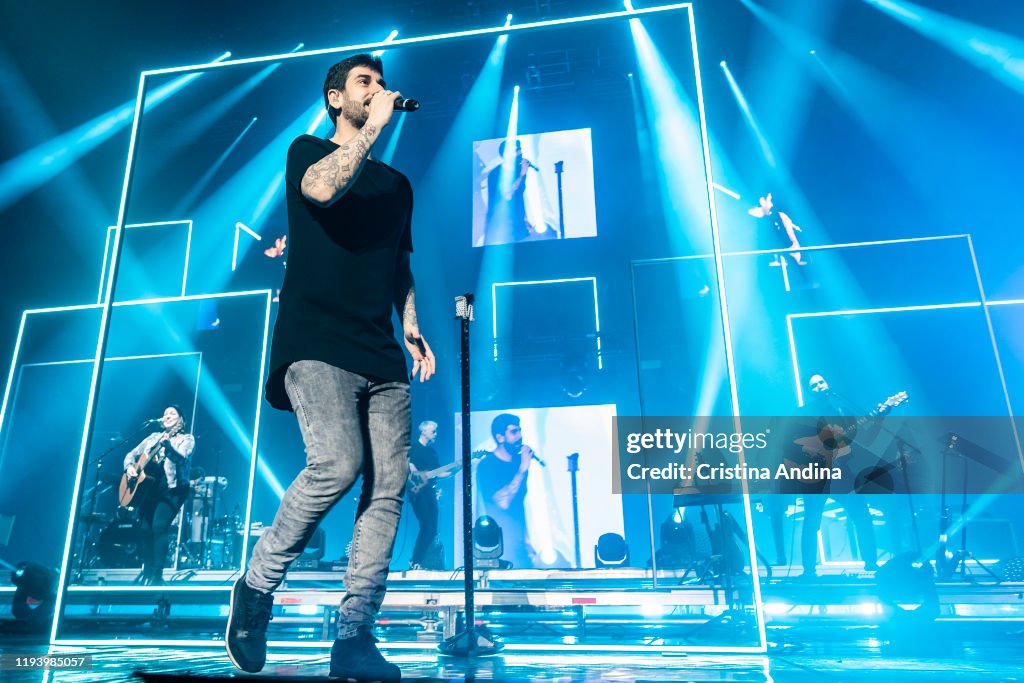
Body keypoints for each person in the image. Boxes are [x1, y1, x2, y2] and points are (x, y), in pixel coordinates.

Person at [225, 54, 435, 680]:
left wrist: (412, 325)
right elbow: (322, 190)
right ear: (335, 97)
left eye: (380, 83)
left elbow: (399, 260)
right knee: (337, 464)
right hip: (316, 340)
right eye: (363, 84)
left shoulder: (397, 185)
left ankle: (355, 635)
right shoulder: (306, 151)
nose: (377, 91)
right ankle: (256, 589)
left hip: (381, 349)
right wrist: (372, 125)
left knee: (388, 490)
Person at [788, 373, 879, 578]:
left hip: (842, 472)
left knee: (862, 517)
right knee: (812, 522)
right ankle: (808, 569)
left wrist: (877, 419)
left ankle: (872, 563)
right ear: (808, 391)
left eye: (821, 382)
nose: (820, 386)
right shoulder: (803, 413)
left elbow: (860, 437)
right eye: (814, 385)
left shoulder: (841, 410)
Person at [122, 405, 195, 586]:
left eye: (172, 414)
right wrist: (130, 467)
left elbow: (182, 457)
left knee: (159, 527)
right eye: (165, 414)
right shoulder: (154, 437)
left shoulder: (187, 438)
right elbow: (131, 454)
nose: (167, 416)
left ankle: (157, 575)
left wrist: (168, 446)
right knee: (145, 528)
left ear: (181, 419)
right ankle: (146, 571)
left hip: (173, 487)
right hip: (150, 487)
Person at [475, 413, 534, 569]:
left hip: (519, 544)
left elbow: (519, 507)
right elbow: (503, 503)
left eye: (520, 431)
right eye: (514, 432)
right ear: (500, 437)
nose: (520, 436)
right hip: (498, 548)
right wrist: (522, 469)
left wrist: (528, 542)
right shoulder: (487, 465)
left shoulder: (517, 463)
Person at [407, 420, 449, 570]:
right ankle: (415, 560)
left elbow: (441, 472)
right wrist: (419, 474)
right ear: (424, 431)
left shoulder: (432, 452)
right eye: (434, 431)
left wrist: (459, 467)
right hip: (418, 492)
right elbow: (410, 468)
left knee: (432, 528)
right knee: (426, 525)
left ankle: (419, 560)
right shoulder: (413, 448)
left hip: (430, 492)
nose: (436, 434)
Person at [484, 139, 535, 245]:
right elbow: (507, 195)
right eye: (516, 150)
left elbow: (519, 197)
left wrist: (525, 220)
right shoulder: (497, 173)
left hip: (518, 225)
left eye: (520, 149)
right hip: (503, 226)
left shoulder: (517, 171)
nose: (520, 152)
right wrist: (522, 174)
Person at [748, 192, 806, 266]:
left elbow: (790, 242)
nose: (772, 205)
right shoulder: (747, 219)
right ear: (762, 201)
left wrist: (795, 246)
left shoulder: (776, 217)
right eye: (770, 201)